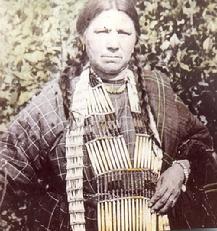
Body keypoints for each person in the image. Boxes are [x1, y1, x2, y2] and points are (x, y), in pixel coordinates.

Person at [0, 0, 217, 230]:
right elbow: (9, 164)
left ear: (135, 40)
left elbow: (200, 144)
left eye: (123, 32)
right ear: (84, 38)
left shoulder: (157, 90)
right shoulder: (59, 97)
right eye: (102, 31)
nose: (113, 44)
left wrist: (181, 169)